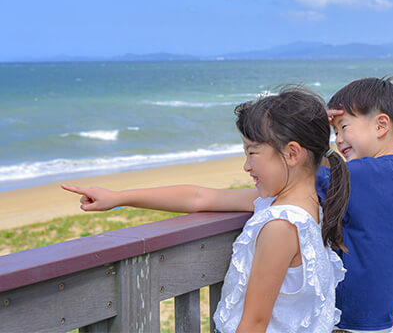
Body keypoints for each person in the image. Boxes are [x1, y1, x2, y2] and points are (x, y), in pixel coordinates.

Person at [62, 87, 351, 333]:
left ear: (291, 153)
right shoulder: (305, 204)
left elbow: (254, 323)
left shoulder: (281, 226)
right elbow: (199, 198)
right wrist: (119, 197)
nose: (247, 166)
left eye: (252, 153)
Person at [317, 77, 393, 333]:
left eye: (343, 127)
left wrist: (310, 128)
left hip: (364, 313)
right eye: (334, 132)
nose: (338, 140)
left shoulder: (360, 174)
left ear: (381, 126)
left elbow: (300, 179)